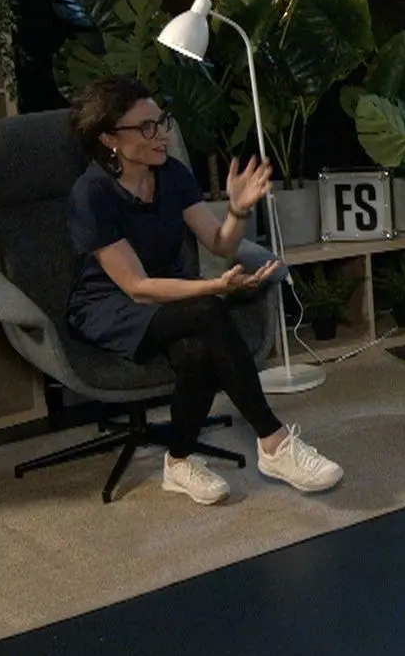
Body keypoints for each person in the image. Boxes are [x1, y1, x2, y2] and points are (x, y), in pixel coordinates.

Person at [67, 75, 344, 505]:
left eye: (161, 122)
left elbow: (220, 243)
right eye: (146, 128)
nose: (161, 135)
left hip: (173, 297)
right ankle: (273, 442)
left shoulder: (171, 174)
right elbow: (137, 287)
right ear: (109, 139)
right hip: (111, 306)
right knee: (208, 310)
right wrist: (212, 286)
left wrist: (237, 209)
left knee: (196, 352)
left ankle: (177, 463)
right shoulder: (91, 194)